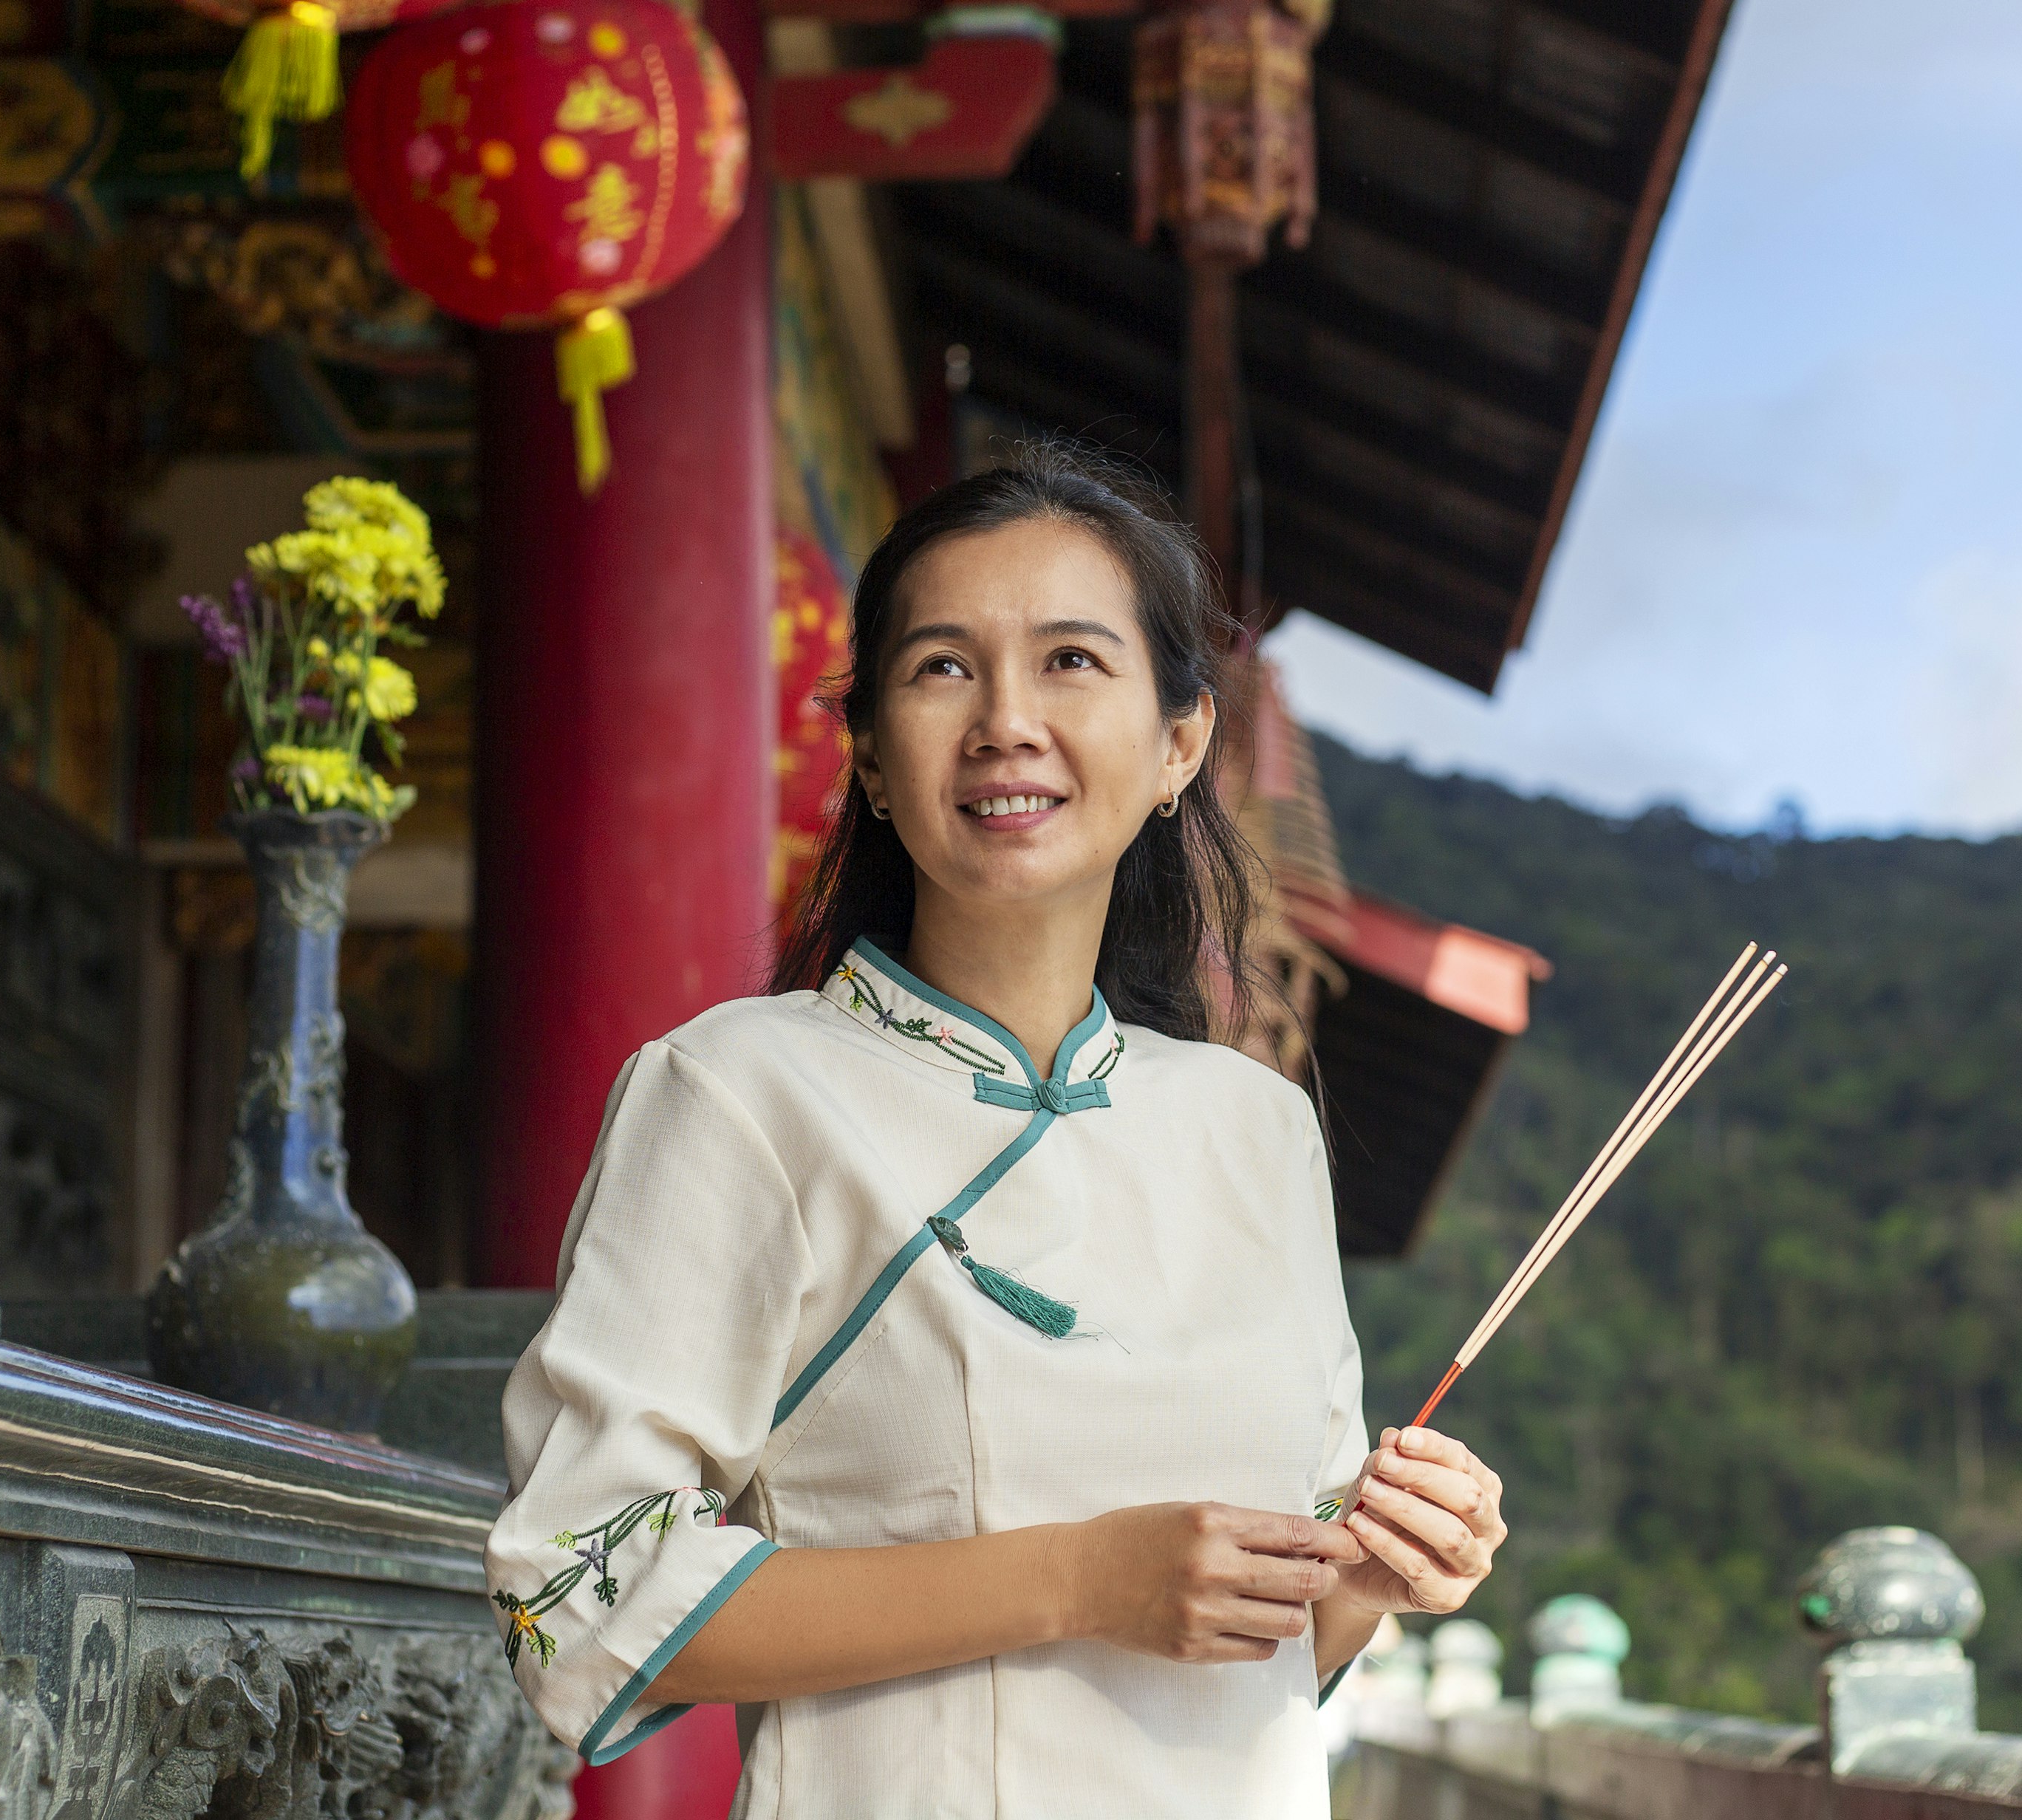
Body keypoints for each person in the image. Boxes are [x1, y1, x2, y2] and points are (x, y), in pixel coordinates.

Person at [486, 446, 1508, 1817]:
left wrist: (1372, 1576)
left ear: (1178, 746)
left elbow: (1271, 1646)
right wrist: (1078, 1578)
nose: (1006, 722)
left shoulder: (1255, 1127)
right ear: (872, 758)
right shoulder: (743, 1092)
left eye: (1073, 662)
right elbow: (576, 1591)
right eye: (943, 668)